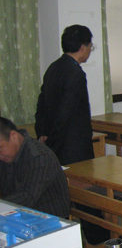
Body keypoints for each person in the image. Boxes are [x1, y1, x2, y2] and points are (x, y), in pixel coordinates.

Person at [35, 24, 95, 166]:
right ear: (83, 47)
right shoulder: (76, 73)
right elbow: (66, 111)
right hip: (72, 144)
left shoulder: (53, 67)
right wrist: (52, 142)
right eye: (90, 46)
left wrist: (43, 132)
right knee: (79, 177)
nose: (90, 50)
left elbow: (41, 104)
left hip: (53, 138)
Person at [0, 117, 70, 219]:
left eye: (0, 148)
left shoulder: (39, 156)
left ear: (14, 136)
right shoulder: (7, 155)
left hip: (50, 220)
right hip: (17, 216)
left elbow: (27, 197)